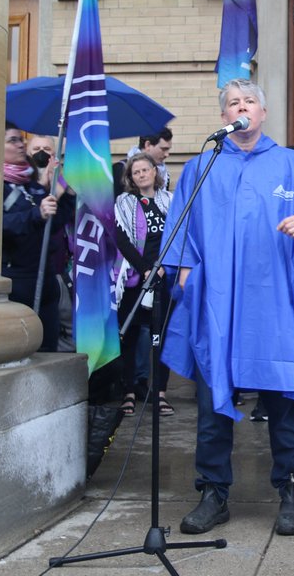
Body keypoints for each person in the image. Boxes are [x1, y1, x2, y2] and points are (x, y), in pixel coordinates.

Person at [160, 79, 294, 537]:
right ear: (224, 118)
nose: (242, 108)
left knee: (283, 400)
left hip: (275, 303)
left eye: (249, 101)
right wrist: (181, 270)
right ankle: (213, 493)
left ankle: (292, 491)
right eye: (233, 103)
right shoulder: (201, 166)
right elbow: (180, 224)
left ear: (264, 111)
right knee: (213, 402)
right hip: (219, 302)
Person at [1, 122, 74, 352]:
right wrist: (36, 213)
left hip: (45, 279)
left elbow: (53, 225)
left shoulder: (31, 184)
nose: (20, 144)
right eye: (13, 140)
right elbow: (0, 226)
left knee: (48, 351)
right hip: (17, 281)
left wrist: (68, 195)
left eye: (21, 139)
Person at [113, 152, 173, 418]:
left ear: (154, 171)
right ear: (130, 178)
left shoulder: (169, 200)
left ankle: (160, 393)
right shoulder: (124, 202)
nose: (141, 175)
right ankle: (128, 392)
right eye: (135, 172)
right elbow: (122, 240)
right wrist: (145, 268)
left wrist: (162, 267)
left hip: (164, 277)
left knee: (162, 337)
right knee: (131, 337)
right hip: (136, 278)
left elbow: (179, 236)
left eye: (145, 170)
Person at [113, 128, 173, 197]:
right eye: (163, 149)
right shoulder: (120, 169)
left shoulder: (164, 174)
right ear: (147, 145)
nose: (167, 154)